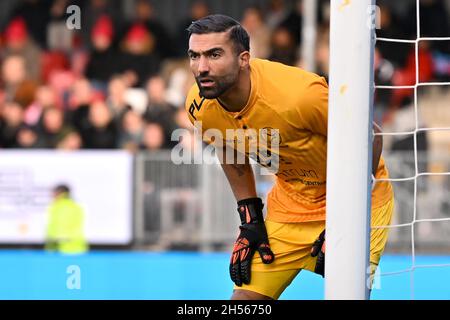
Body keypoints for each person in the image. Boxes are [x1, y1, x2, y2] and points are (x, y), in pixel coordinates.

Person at [184, 14, 394, 300]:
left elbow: (370, 137)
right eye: (194, 56)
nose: (202, 68)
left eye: (214, 55)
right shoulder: (199, 105)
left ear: (244, 58)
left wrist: (346, 217)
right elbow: (228, 147)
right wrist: (250, 219)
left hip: (358, 205)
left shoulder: (299, 96)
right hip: (290, 204)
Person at [45, 185, 88, 254]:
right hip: (78, 247)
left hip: (63, 249)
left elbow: (58, 228)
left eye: (53, 193)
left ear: (59, 193)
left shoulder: (59, 206)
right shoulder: (75, 206)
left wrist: (51, 245)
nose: (52, 196)